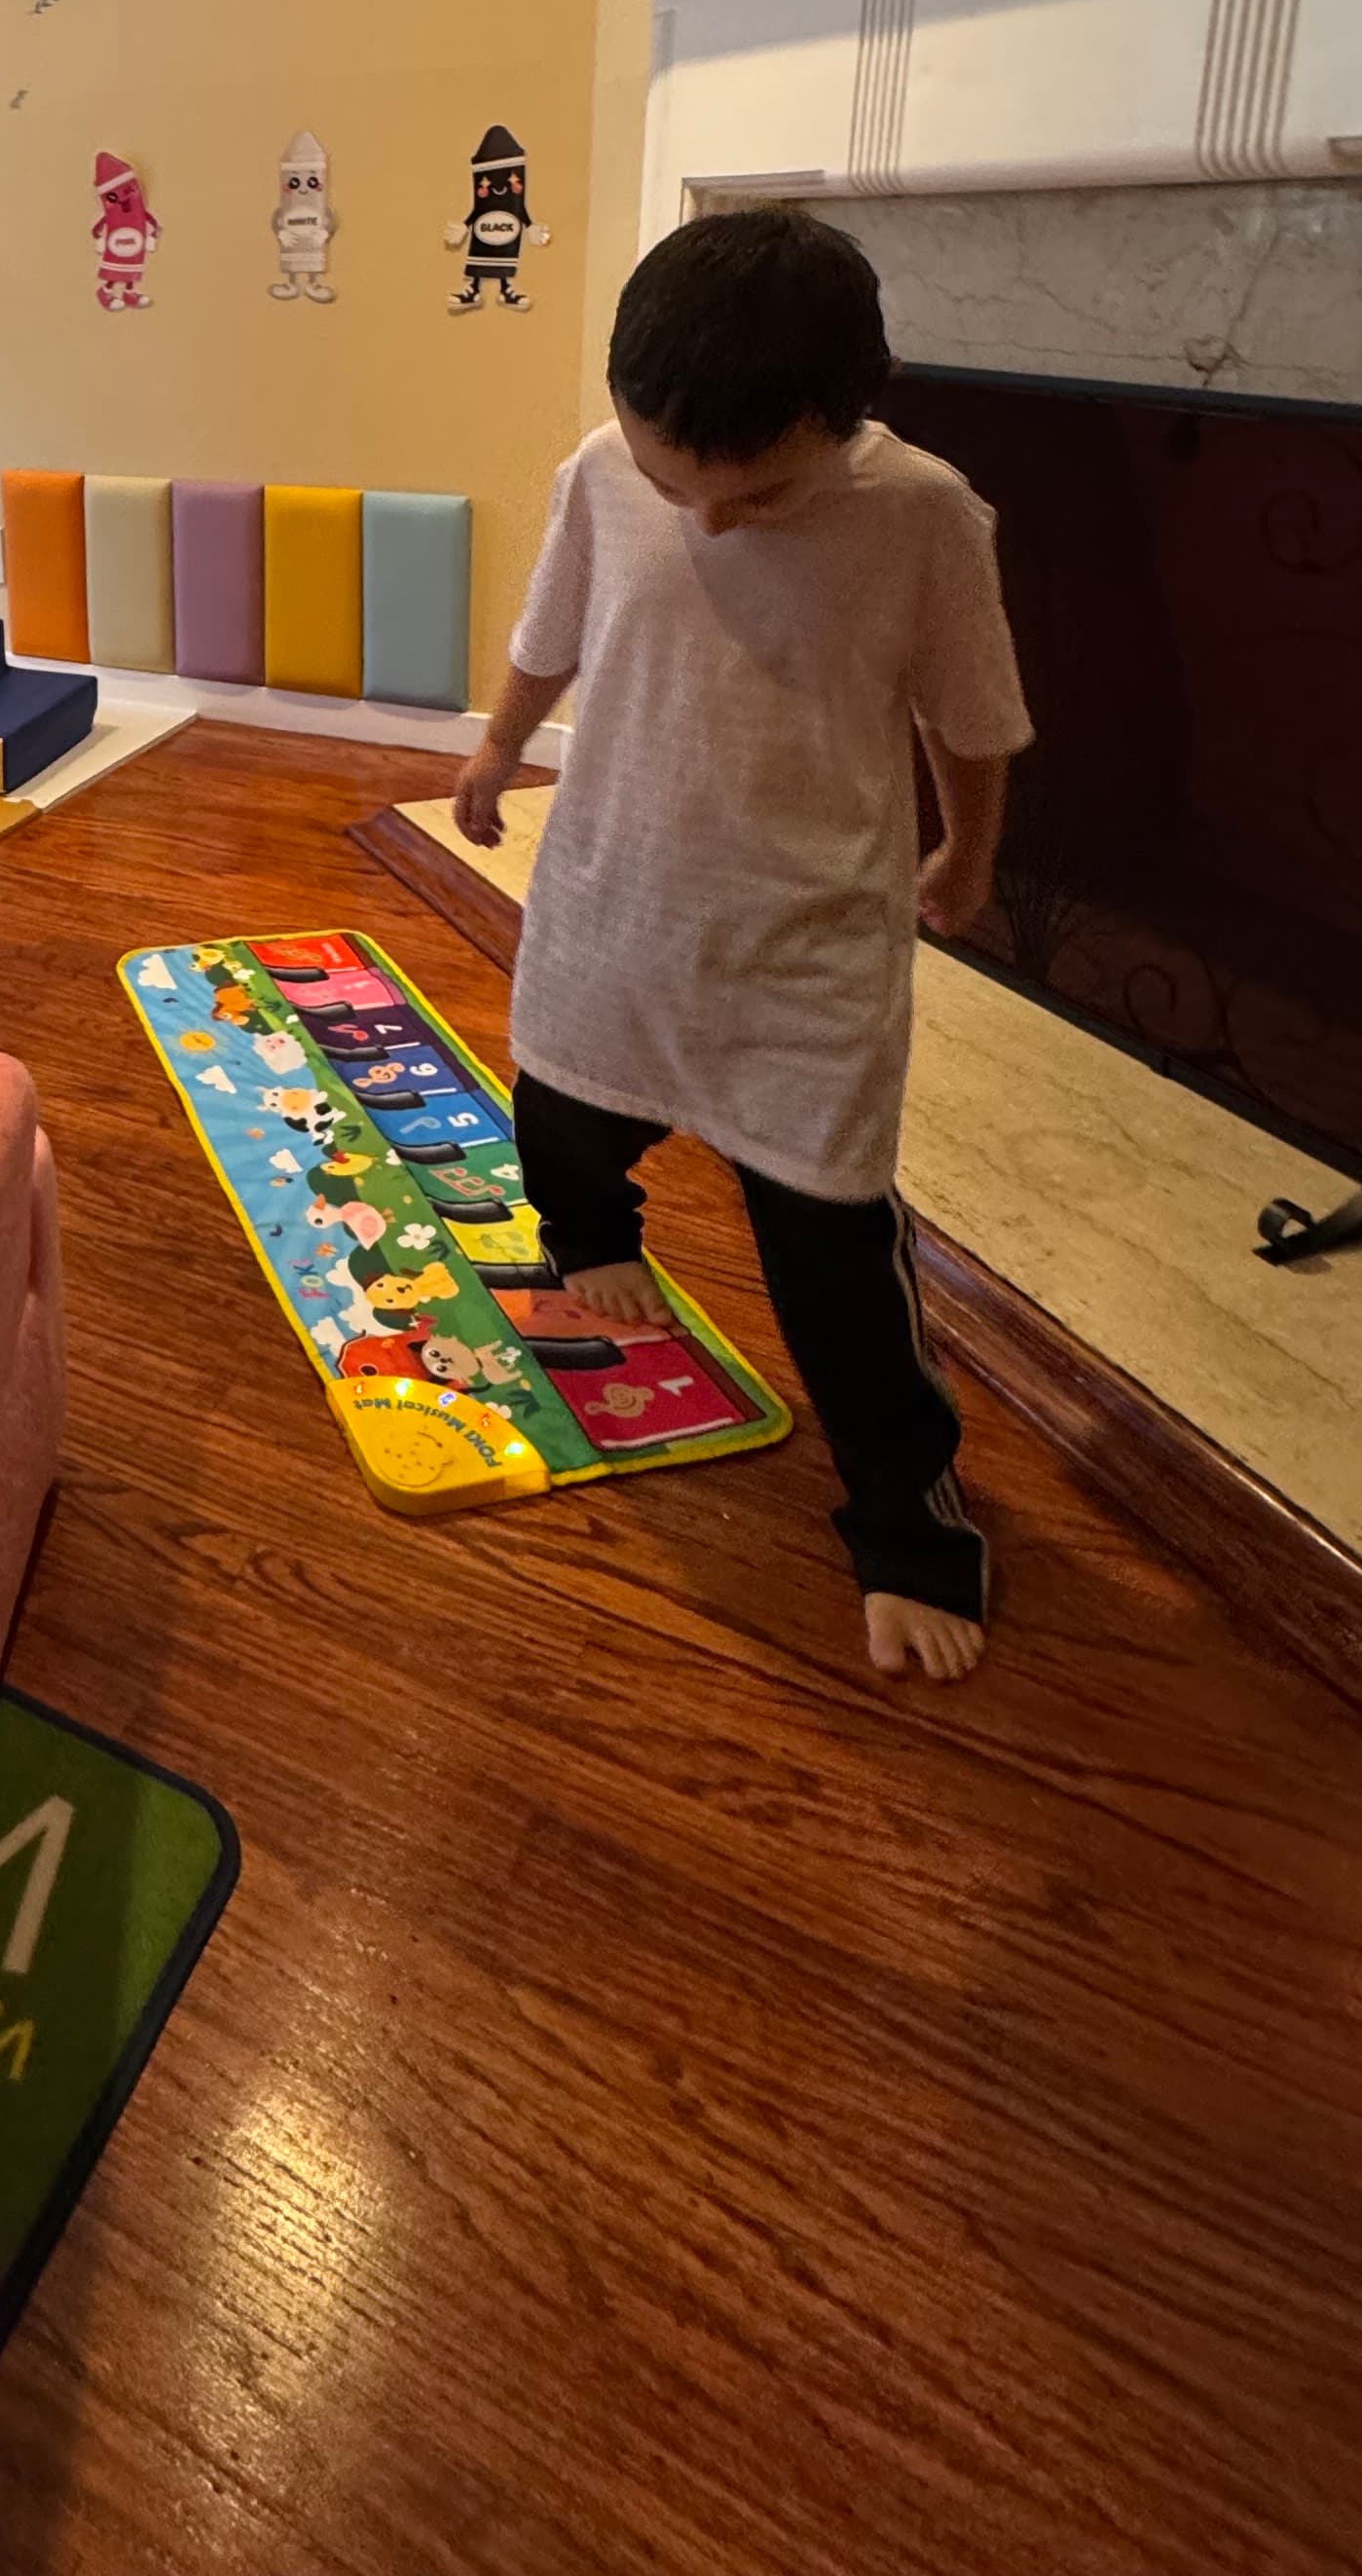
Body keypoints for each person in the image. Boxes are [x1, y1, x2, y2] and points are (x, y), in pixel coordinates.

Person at [453, 206, 1031, 1687]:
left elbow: (970, 717)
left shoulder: (924, 517)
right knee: (563, 1114)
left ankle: (908, 1525)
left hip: (804, 944)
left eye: (759, 494)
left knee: (835, 1248)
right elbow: (550, 630)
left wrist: (968, 852)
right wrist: (499, 747)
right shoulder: (603, 468)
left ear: (847, 416)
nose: (706, 520)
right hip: (614, 899)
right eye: (674, 483)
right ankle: (593, 1241)